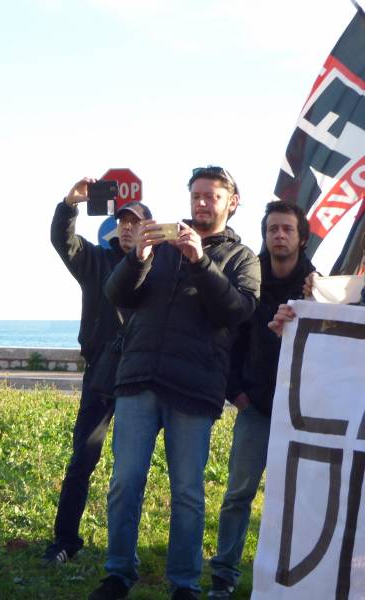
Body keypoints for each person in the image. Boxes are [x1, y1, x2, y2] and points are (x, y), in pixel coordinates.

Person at [91, 166, 260, 600]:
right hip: (139, 380)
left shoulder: (243, 259)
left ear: (231, 203)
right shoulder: (162, 245)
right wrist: (137, 259)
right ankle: (117, 575)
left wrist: (201, 262)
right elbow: (117, 295)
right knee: (125, 482)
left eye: (212, 197)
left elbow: (236, 312)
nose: (202, 203)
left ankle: (184, 583)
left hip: (194, 388)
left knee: (187, 492)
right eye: (197, 195)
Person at [207, 201, 314, 599]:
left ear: (301, 238)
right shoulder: (248, 279)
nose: (279, 235)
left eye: (287, 229)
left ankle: (297, 574)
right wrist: (235, 392)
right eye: (273, 229)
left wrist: (319, 301)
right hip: (256, 408)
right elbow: (229, 339)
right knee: (238, 493)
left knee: (299, 499)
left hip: (303, 413)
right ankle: (224, 573)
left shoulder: (317, 286)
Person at [43, 178, 150, 564]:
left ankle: (126, 551)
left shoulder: (162, 268)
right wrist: (70, 204)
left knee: (131, 468)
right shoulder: (96, 262)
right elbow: (63, 240)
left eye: (136, 222)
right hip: (101, 377)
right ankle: (64, 542)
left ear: (149, 230)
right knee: (82, 460)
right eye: (123, 222)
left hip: (144, 381)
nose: (127, 227)